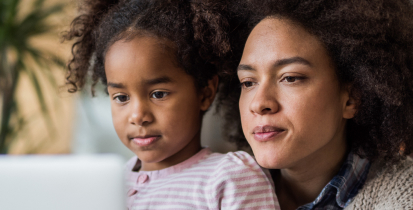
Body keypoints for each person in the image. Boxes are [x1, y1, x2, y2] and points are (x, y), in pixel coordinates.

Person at [63, 0, 280, 209]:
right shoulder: (108, 186)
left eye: (158, 94)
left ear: (205, 92)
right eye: (121, 97)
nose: (138, 116)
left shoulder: (230, 178)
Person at [218, 0, 413, 209]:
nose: (259, 103)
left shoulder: (403, 198)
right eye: (248, 82)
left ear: (351, 98)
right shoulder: (218, 190)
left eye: (290, 78)